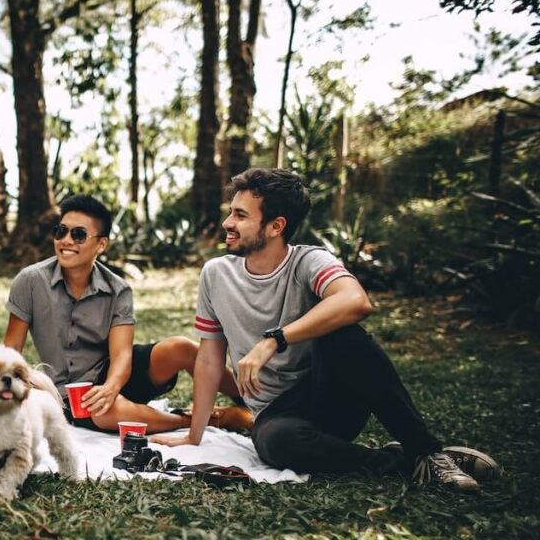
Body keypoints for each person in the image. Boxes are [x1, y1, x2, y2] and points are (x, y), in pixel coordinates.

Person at [153, 168, 496, 491]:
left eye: (241, 216)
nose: (228, 222)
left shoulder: (309, 261)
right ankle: (405, 461)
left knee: (345, 333)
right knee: (276, 443)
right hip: (277, 416)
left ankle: (427, 451)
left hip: (332, 396)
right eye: (231, 211)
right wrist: (193, 435)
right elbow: (210, 359)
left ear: (276, 226)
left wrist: (275, 340)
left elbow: (356, 301)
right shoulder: (216, 274)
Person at [3, 194, 244, 433]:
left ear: (101, 244)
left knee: (180, 347)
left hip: (115, 374)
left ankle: (255, 398)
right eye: (61, 231)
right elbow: (10, 351)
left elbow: (121, 357)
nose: (66, 240)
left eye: (78, 234)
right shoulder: (31, 281)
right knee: (104, 411)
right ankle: (208, 420)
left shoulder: (118, 289)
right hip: (71, 394)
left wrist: (111, 387)